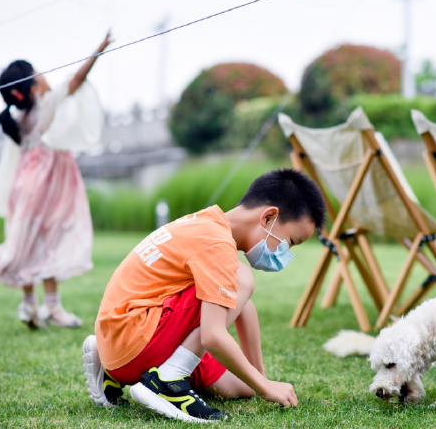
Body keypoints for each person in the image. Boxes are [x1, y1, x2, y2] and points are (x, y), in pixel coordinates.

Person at [82, 168, 326, 422]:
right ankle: (169, 381)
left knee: (241, 387)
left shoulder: (205, 222)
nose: (285, 254)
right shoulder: (218, 244)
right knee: (241, 277)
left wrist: (260, 380)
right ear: (268, 218)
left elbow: (243, 306)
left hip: (122, 346)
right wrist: (267, 389)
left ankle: (113, 372)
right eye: (291, 242)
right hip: (137, 341)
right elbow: (212, 336)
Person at [0, 31, 112, 329]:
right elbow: (76, 81)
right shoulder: (45, 104)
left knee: (27, 240)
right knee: (50, 241)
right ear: (33, 83)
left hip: (23, 186)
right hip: (46, 187)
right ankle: (51, 307)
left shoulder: (22, 118)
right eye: (37, 72)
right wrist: (99, 49)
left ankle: (29, 305)